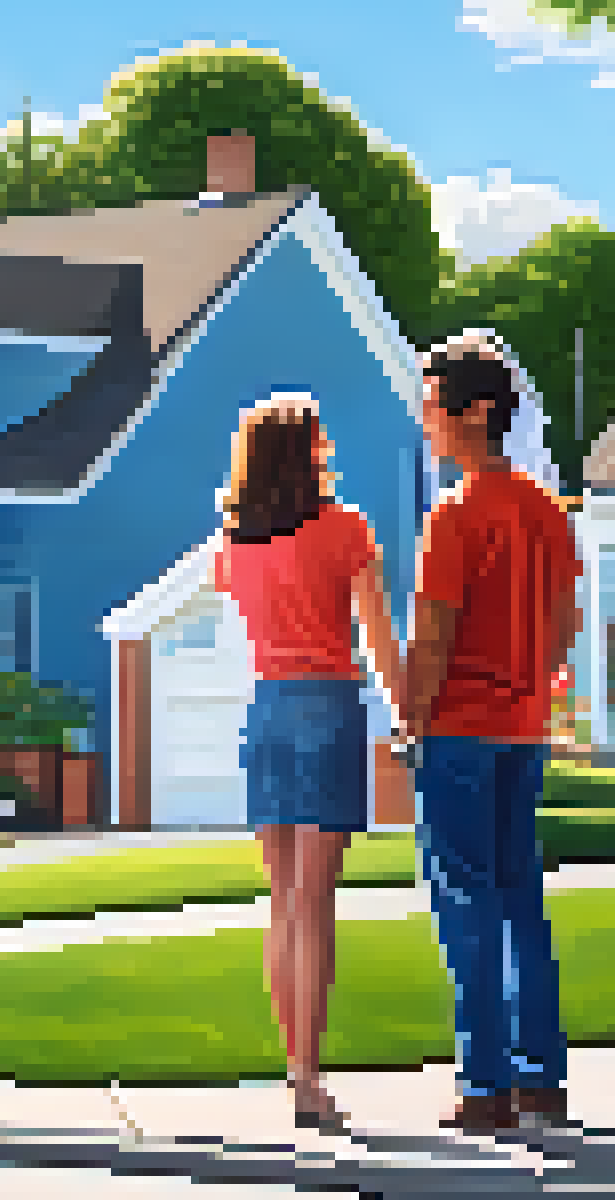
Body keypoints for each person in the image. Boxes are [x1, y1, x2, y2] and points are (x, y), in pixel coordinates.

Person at [401, 334, 583, 1135]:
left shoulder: (455, 515)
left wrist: (411, 716)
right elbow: (564, 624)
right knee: (520, 900)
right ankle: (542, 1079)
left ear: (475, 410)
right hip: (522, 730)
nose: (425, 415)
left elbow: (433, 635)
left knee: (465, 904)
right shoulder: (547, 512)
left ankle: (485, 1086)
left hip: (459, 732)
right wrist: (534, 690)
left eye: (433, 399)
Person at [212, 390, 405, 1133]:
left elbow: (236, 601)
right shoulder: (346, 531)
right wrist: (409, 716)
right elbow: (379, 640)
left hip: (266, 711)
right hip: (327, 707)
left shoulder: (232, 543)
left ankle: (294, 1066)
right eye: (321, 441)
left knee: (282, 903)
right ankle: (307, 1078)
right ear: (309, 453)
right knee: (314, 903)